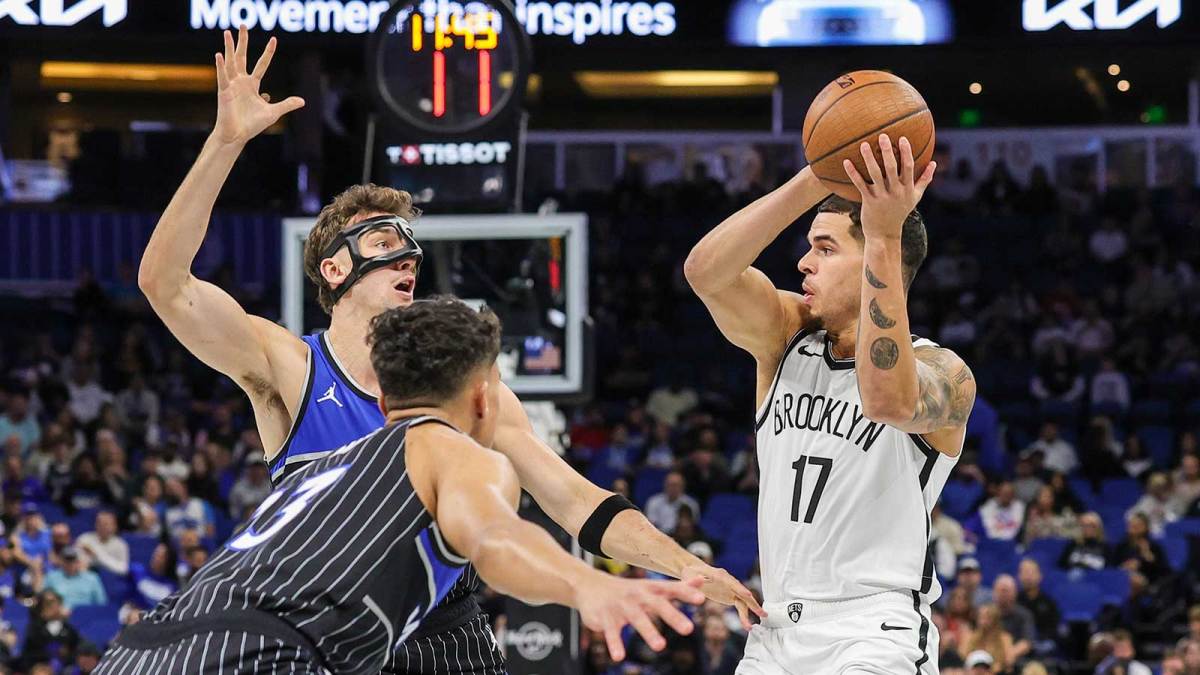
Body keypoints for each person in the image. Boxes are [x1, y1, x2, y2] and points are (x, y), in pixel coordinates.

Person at [134, 27, 755, 675]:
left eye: (411, 249)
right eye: (382, 245)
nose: (406, 259)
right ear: (334, 269)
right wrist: (225, 142)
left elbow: (574, 499)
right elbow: (165, 284)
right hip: (331, 636)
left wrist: (687, 564)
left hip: (443, 634)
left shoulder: (462, 385)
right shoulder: (290, 365)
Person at [95, 298, 708, 673]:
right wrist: (586, 584)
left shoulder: (330, 463)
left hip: (143, 648)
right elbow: (495, 540)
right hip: (258, 658)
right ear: (482, 398)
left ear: (385, 399)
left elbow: (575, 504)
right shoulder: (455, 451)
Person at [687, 134, 971, 673]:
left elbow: (887, 400)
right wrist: (817, 176)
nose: (802, 263)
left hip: (873, 630)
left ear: (877, 258)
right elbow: (706, 272)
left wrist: (884, 232)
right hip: (775, 629)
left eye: (824, 248)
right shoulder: (784, 336)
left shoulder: (945, 372)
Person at [42, 547, 107, 610]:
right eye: (67, 560)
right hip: (59, 615)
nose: (70, 563)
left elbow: (101, 603)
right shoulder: (51, 577)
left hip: (86, 615)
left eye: (73, 560)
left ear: (78, 561)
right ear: (61, 562)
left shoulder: (92, 578)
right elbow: (44, 599)